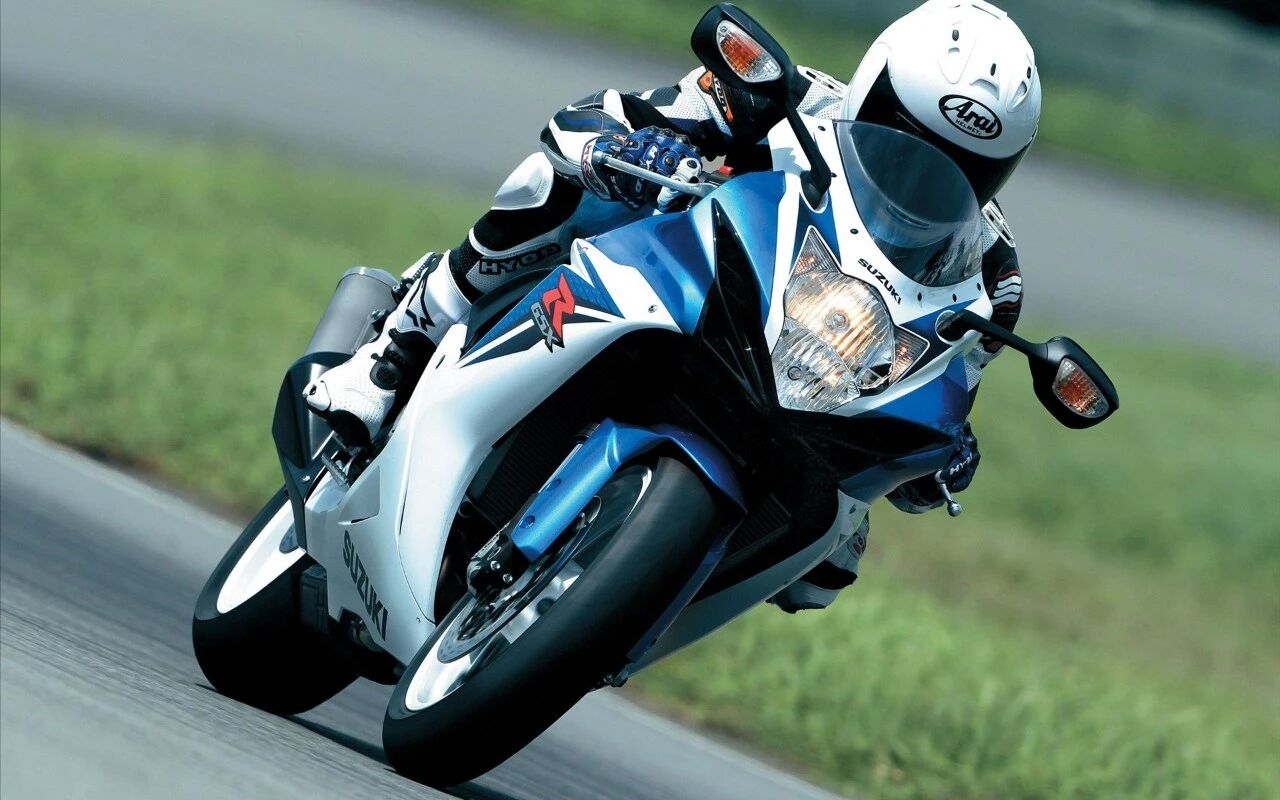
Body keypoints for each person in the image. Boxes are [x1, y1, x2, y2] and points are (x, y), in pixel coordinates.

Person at [303, 0, 1038, 612]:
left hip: (806, 370)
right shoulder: (784, 102)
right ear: (870, 87)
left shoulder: (991, 273)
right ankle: (400, 346)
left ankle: (624, 599)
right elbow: (586, 120)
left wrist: (943, 452)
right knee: (562, 186)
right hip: (680, 279)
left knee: (827, 565)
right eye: (901, 140)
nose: (918, 181)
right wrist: (631, 150)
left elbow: (946, 377)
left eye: (963, 171)